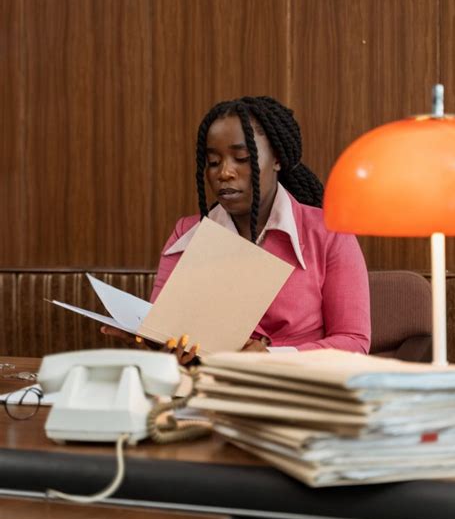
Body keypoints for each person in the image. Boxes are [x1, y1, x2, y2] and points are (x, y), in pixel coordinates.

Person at [103, 96, 371, 363]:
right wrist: (150, 341)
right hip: (207, 383)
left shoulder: (329, 234)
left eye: (242, 158)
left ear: (277, 159)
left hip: (297, 385)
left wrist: (271, 357)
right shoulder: (186, 235)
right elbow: (166, 333)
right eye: (213, 162)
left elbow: (354, 341)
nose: (225, 173)